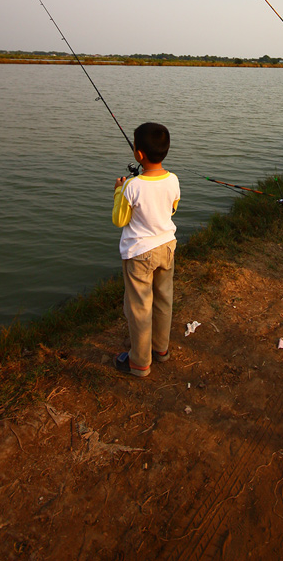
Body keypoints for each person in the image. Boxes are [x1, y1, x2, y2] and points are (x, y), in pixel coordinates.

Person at [112, 122, 180, 377]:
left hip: (140, 253)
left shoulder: (132, 186)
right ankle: (160, 349)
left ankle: (139, 362)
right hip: (167, 248)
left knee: (140, 307)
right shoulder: (173, 179)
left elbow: (119, 220)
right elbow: (172, 209)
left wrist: (119, 190)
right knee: (163, 300)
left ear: (139, 155)